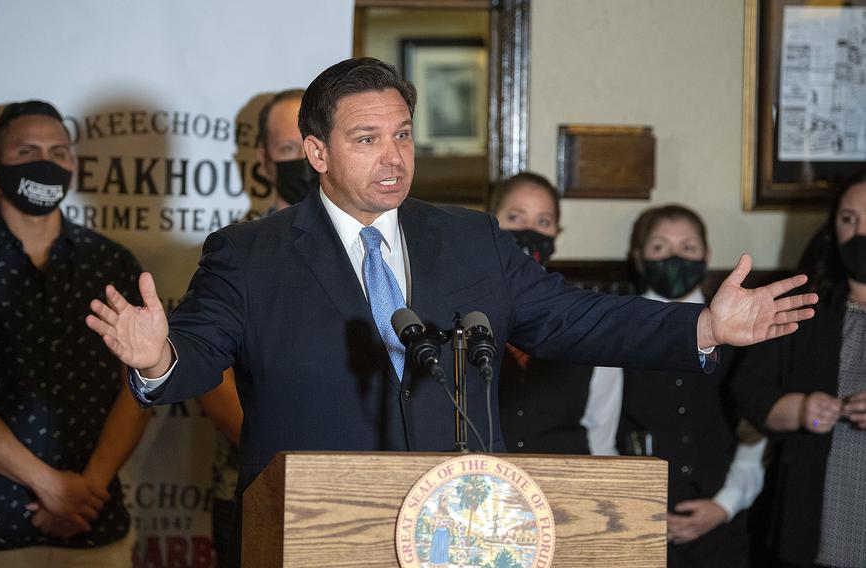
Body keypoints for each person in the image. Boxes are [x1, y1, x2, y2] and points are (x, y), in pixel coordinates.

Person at [85, 57, 816, 562]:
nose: (394, 157)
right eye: (367, 140)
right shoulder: (250, 254)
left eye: (402, 135)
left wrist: (704, 325)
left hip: (464, 531)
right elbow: (197, 355)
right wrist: (157, 356)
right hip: (314, 533)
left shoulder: (469, 239)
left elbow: (573, 317)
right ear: (315, 151)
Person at [0, 101, 149, 566]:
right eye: (27, 151)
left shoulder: (112, 264)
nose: (46, 162)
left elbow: (139, 384)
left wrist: (87, 490)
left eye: (58, 152)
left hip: (93, 526)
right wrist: (52, 487)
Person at [588, 205, 766, 567]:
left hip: (722, 527)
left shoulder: (741, 334)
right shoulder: (616, 330)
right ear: (639, 259)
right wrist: (631, 504)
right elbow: (599, 429)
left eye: (688, 247)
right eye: (659, 248)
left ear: (707, 256)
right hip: (633, 520)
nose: (673, 257)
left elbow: (754, 427)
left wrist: (725, 504)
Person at [196, 87, 313, 566]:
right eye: (288, 150)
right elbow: (208, 373)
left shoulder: (380, 248)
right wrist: (281, 459)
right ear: (264, 162)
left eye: (311, 142)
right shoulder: (237, 252)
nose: (303, 160)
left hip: (362, 489)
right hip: (259, 488)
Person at [734, 173, 866, 568]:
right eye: (848, 219)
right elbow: (748, 393)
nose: (860, 232)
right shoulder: (801, 306)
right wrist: (802, 407)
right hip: (818, 516)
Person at [492, 172, 595, 454]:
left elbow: (601, 428)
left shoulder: (580, 314)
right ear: (490, 222)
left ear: (556, 234)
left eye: (543, 221)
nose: (529, 231)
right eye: (515, 218)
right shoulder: (455, 304)